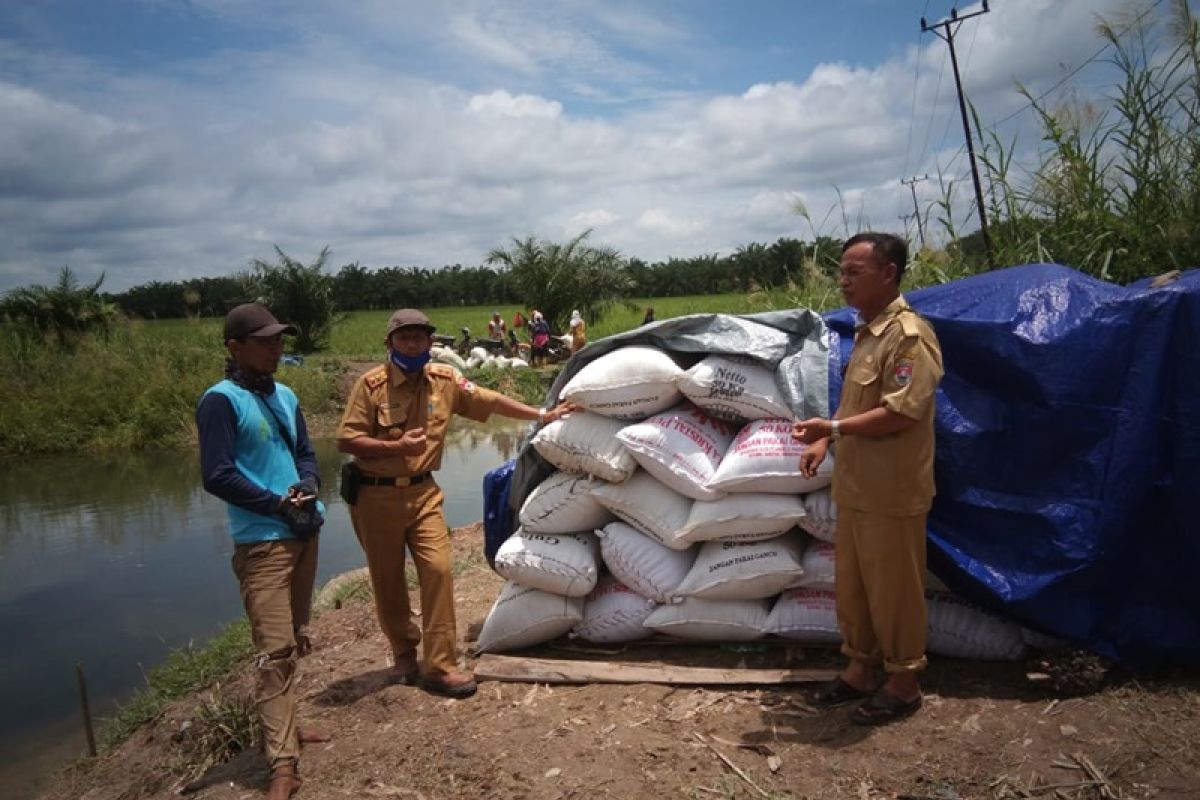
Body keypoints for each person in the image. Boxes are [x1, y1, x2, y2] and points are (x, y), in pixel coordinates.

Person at [336, 309, 577, 698]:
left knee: (439, 570)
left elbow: (491, 400)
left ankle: (440, 664)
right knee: (388, 580)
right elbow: (346, 441)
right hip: (374, 495)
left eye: (420, 338)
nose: (413, 345)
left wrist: (543, 414)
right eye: (405, 338)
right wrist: (395, 446)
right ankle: (403, 652)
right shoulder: (371, 385)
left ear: (430, 343)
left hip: (423, 493)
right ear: (390, 344)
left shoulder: (445, 380)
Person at [792, 232, 944, 726]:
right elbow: (855, 404)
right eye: (842, 271)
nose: (843, 281)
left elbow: (901, 413)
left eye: (854, 272)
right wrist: (825, 441)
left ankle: (904, 683)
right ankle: (860, 669)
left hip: (893, 490)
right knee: (854, 586)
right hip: (857, 487)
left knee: (894, 590)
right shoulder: (866, 333)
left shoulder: (909, 337)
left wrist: (831, 428)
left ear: (889, 275)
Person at [196, 303, 329, 799]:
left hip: (303, 531)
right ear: (235, 347)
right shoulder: (220, 401)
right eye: (266, 340)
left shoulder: (285, 393)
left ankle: (287, 728)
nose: (277, 348)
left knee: (292, 638)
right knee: (273, 653)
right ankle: (283, 764)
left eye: (279, 340)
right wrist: (276, 503)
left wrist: (309, 485)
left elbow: (305, 453)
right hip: (263, 542)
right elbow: (217, 475)